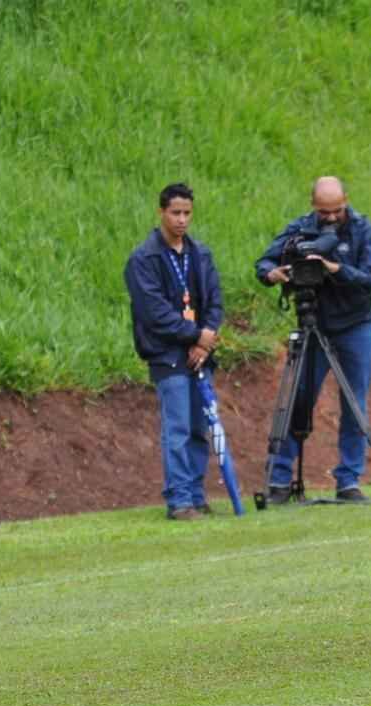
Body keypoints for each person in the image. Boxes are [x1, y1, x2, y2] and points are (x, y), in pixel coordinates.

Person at [255, 176, 371, 503]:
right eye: (323, 212)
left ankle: (349, 480)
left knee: (354, 403)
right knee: (298, 401)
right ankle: (280, 480)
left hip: (356, 325)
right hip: (315, 325)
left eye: (336, 210)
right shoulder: (300, 229)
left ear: (346, 201)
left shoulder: (364, 231)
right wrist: (273, 273)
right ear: (313, 205)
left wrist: (333, 269)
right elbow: (264, 263)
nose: (329, 217)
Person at [124, 182, 224, 521]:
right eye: (175, 213)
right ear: (161, 213)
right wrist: (197, 336)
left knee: (199, 427)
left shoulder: (201, 254)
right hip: (167, 354)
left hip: (200, 354)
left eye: (187, 213)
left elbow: (214, 300)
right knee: (177, 427)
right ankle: (179, 500)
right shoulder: (144, 259)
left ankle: (196, 495)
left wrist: (205, 338)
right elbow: (155, 313)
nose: (181, 220)